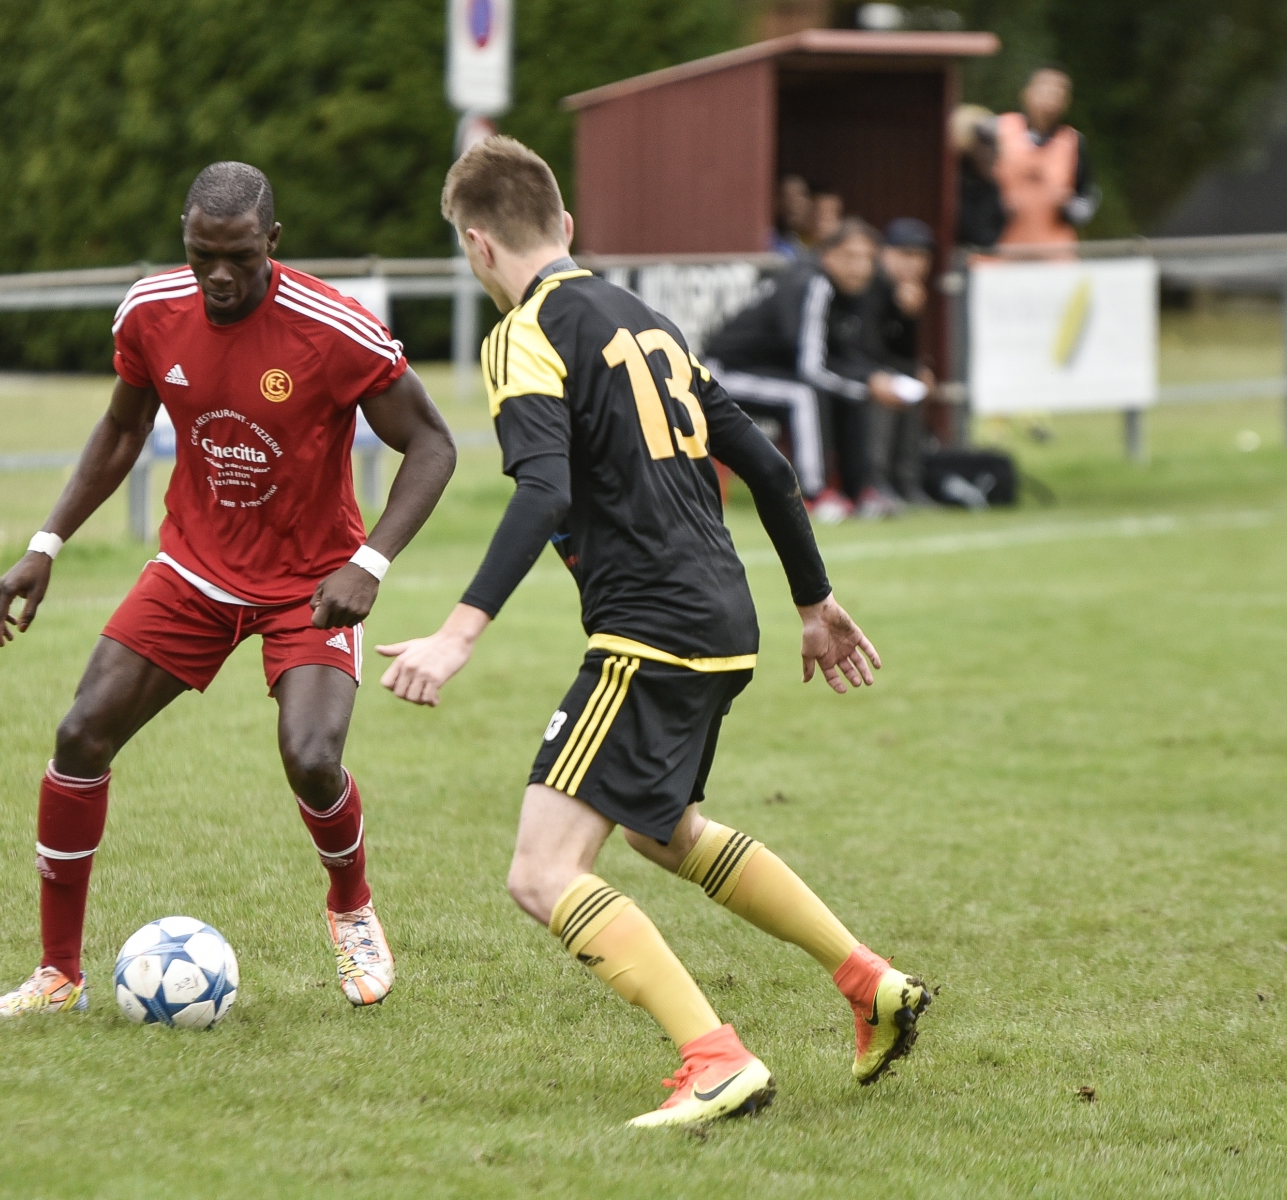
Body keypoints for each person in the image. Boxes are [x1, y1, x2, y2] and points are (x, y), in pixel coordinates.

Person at [377, 136, 929, 1130]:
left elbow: (541, 488)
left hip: (650, 629)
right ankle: (868, 980)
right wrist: (812, 602)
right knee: (659, 828)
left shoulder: (525, 333)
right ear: (569, 229)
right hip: (725, 617)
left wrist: (458, 634)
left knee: (542, 873)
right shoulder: (647, 319)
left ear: (475, 245)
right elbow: (764, 465)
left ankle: (715, 1059)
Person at [0, 162, 457, 1019]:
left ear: (273, 242)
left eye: (238, 257)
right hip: (195, 569)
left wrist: (369, 563)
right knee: (81, 734)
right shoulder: (152, 309)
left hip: (311, 579)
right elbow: (123, 427)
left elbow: (431, 444)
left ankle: (350, 905)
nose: (219, 277)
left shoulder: (334, 327)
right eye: (202, 256)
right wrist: (44, 544)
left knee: (311, 758)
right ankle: (57, 976)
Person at [701, 219, 926, 523]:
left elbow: (855, 357)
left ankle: (861, 491)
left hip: (776, 373)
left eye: (867, 259)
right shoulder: (813, 284)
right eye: (850, 257)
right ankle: (813, 493)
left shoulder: (859, 293)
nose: (859, 267)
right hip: (724, 374)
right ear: (827, 256)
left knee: (853, 391)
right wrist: (867, 384)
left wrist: (882, 378)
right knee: (806, 394)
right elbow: (810, 367)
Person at [864, 217, 938, 509]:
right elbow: (864, 348)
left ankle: (908, 483)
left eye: (921, 257)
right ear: (885, 254)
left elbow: (903, 352)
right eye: (905, 255)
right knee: (887, 393)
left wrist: (916, 370)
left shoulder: (907, 292)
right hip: (849, 370)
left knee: (914, 386)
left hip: (878, 369)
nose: (914, 264)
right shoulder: (868, 287)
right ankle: (876, 483)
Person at [993, 66, 1099, 249]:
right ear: (1026, 93)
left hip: (1054, 251)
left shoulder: (1072, 142)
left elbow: (1086, 197)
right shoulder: (999, 129)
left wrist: (1068, 206)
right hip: (1002, 249)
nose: (1051, 97)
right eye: (1045, 89)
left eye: (1059, 92)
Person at [952, 104, 1005, 249]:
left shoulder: (992, 188)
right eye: (983, 143)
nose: (991, 153)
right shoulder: (950, 187)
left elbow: (986, 238)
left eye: (993, 144)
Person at [768, 173, 811, 260]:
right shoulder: (766, 242)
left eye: (801, 195)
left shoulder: (808, 243)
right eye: (786, 196)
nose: (794, 203)